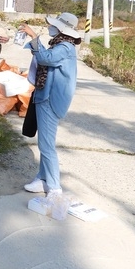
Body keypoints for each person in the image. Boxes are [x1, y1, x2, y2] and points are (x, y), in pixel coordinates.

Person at [19, 13, 81, 198]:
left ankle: (54, 188)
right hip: (43, 96)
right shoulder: (60, 45)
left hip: (49, 100)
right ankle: (42, 178)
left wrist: (33, 37)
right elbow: (46, 56)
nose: (49, 27)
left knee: (46, 146)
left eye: (53, 25)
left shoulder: (65, 47)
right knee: (44, 143)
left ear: (62, 29)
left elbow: (46, 59)